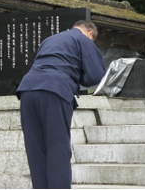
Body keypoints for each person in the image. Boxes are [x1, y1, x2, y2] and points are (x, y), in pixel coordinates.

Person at [16, 20, 106, 189]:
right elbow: (95, 75)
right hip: (54, 90)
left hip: (27, 89)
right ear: (90, 33)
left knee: (36, 149)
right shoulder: (83, 39)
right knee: (57, 148)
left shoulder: (49, 40)